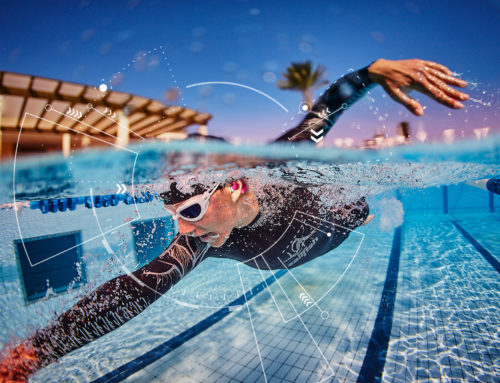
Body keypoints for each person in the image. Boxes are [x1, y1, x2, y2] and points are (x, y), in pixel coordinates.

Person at [0, 58, 468, 381]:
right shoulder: (201, 240)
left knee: (361, 208)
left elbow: (325, 110)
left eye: (191, 212)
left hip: (336, 219)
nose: (182, 229)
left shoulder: (275, 165)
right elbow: (136, 290)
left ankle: (373, 208)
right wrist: (35, 354)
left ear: (236, 185)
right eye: (174, 215)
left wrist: (369, 72)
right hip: (296, 250)